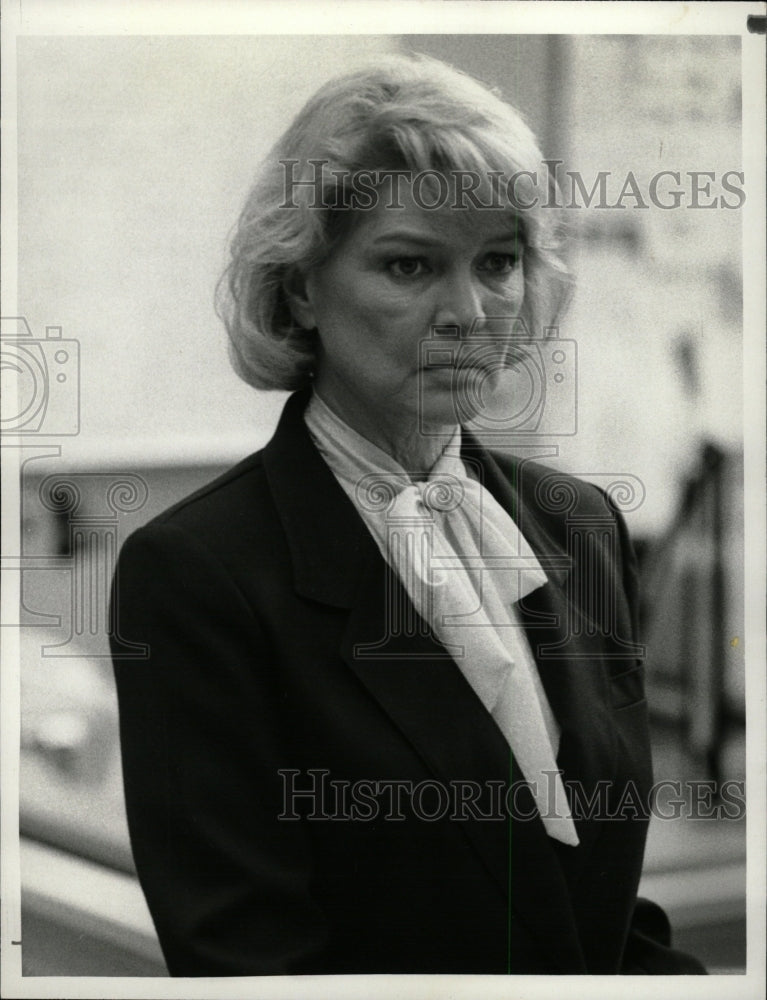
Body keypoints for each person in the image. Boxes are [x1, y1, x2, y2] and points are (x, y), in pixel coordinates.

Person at [110, 53, 705, 976]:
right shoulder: (197, 575)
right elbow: (247, 961)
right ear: (302, 286)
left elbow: (599, 907)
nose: (468, 311)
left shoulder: (580, 524)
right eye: (408, 265)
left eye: (497, 261)